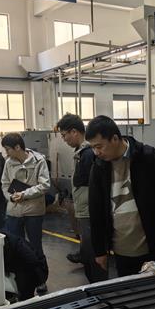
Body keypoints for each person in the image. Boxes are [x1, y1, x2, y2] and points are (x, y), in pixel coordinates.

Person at [86, 115, 155, 277]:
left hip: (153, 246)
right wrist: (99, 250)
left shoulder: (147, 157)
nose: (96, 152)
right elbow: (96, 211)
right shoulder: (99, 167)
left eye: (99, 146)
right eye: (93, 147)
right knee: (128, 290)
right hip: (121, 251)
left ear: (114, 138)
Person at [57, 114, 107, 283]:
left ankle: (100, 289)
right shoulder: (81, 153)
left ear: (74, 132)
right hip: (84, 210)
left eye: (64, 135)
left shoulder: (88, 154)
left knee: (94, 257)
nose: (64, 139)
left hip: (89, 213)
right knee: (88, 254)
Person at [1, 133, 50, 294]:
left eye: (8, 149)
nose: (6, 153)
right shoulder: (8, 163)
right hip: (14, 211)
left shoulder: (38, 160)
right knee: (15, 248)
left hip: (33, 211)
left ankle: (40, 280)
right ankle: (20, 281)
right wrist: (10, 197)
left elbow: (45, 185)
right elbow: (4, 184)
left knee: (35, 247)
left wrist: (24, 194)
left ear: (17, 147)